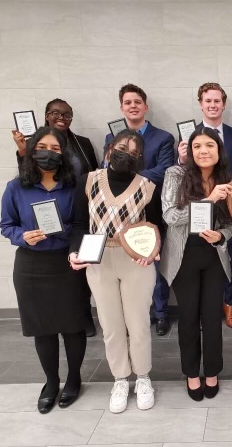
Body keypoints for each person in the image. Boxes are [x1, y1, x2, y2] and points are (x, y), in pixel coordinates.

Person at [69, 130, 161, 414]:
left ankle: (143, 377)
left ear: (140, 158)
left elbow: (157, 225)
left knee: (138, 323)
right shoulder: (89, 180)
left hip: (136, 261)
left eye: (134, 152)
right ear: (110, 149)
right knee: (111, 324)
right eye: (123, 147)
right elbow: (78, 224)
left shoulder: (147, 186)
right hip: (98, 259)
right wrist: (74, 252)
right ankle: (120, 379)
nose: (127, 154)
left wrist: (155, 249)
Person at [1, 127, 90, 414]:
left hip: (66, 263)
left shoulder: (74, 185)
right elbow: (7, 225)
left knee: (73, 326)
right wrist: (22, 236)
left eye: (55, 149)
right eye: (42, 146)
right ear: (32, 149)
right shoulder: (16, 187)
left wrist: (72, 246)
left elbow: (81, 224)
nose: (48, 153)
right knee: (43, 329)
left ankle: (74, 379)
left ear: (64, 154)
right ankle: (51, 382)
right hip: (30, 266)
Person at [160, 127, 232, 401]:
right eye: (197, 146)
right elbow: (170, 215)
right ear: (190, 151)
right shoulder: (175, 174)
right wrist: (208, 200)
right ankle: (192, 374)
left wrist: (221, 235)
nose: (203, 151)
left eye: (209, 146)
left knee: (213, 319)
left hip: (213, 256)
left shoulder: (227, 178)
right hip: (184, 257)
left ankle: (213, 371)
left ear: (218, 150)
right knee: (189, 318)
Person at [12, 98, 98, 337]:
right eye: (56, 113)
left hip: (78, 206)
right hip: (43, 216)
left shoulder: (82, 143)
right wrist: (22, 150)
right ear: (47, 115)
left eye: (67, 114)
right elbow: (26, 178)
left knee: (79, 271)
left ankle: (83, 316)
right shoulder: (33, 144)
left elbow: (92, 172)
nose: (62, 118)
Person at [103, 84, 176, 337]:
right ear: (122, 107)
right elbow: (106, 172)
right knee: (126, 264)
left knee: (154, 262)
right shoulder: (111, 138)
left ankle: (161, 314)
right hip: (119, 215)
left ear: (145, 106)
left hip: (152, 209)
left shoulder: (164, 137)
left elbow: (165, 171)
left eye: (137, 102)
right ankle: (131, 316)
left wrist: (128, 174)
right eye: (127, 102)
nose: (133, 106)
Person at [177, 82, 232, 329]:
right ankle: (208, 310)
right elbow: (181, 174)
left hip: (230, 206)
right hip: (197, 206)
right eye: (208, 101)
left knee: (230, 256)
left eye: (217, 101)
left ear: (223, 104)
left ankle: (230, 305)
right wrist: (182, 158)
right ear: (201, 104)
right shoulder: (188, 136)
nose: (213, 105)